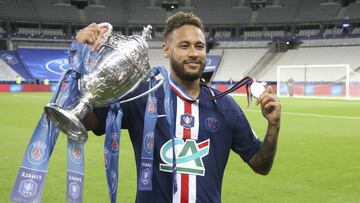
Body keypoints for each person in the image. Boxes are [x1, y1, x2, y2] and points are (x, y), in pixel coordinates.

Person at [76, 12, 281, 203]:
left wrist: (273, 126)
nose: (193, 53)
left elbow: (260, 165)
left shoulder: (225, 106)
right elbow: (87, 121)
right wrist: (82, 59)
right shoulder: (142, 96)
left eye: (199, 46)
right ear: (166, 49)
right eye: (184, 46)